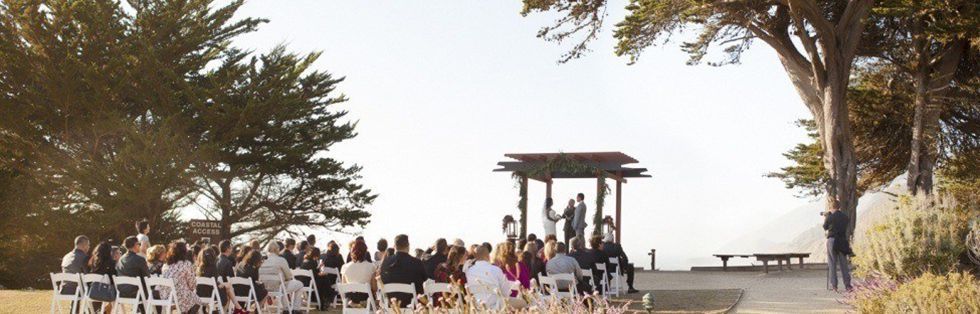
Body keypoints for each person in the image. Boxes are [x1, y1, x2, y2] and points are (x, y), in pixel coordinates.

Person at [464, 244, 525, 309]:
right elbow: (506, 292)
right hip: (497, 306)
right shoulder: (495, 270)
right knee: (524, 303)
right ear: (488, 256)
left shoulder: (468, 271)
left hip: (477, 307)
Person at [378, 234, 426, 307]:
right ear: (408, 246)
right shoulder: (416, 263)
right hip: (412, 305)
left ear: (395, 246)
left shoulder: (385, 263)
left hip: (391, 305)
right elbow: (425, 280)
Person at [159, 241, 204, 313]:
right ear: (184, 251)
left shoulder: (167, 265)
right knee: (197, 302)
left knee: (188, 299)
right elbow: (192, 285)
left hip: (165, 296)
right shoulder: (186, 264)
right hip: (178, 296)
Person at [258, 242, 304, 309]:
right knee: (300, 284)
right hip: (278, 288)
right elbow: (289, 276)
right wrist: (285, 278)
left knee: (283, 284)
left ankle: (286, 308)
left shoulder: (262, 261)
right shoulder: (281, 260)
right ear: (278, 249)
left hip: (265, 288)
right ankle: (295, 309)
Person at [196, 247, 239, 311]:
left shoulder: (199, 268)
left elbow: (212, 282)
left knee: (228, 287)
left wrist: (221, 284)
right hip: (212, 294)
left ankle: (238, 308)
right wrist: (222, 284)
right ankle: (235, 308)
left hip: (200, 294)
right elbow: (216, 284)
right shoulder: (213, 268)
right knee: (228, 290)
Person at [824, 207, 853, 292]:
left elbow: (825, 227)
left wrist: (826, 217)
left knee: (832, 263)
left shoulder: (830, 217)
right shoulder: (845, 217)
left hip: (832, 240)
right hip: (842, 240)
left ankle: (834, 286)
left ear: (831, 207)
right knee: (844, 264)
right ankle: (848, 285)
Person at [116, 236, 150, 302]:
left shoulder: (120, 260)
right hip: (138, 293)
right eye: (139, 244)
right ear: (135, 245)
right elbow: (147, 277)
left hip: (123, 293)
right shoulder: (140, 259)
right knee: (158, 293)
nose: (140, 246)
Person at [88, 241, 117, 313]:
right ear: (108, 252)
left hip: (93, 292)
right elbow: (114, 279)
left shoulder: (92, 263)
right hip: (106, 294)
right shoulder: (111, 263)